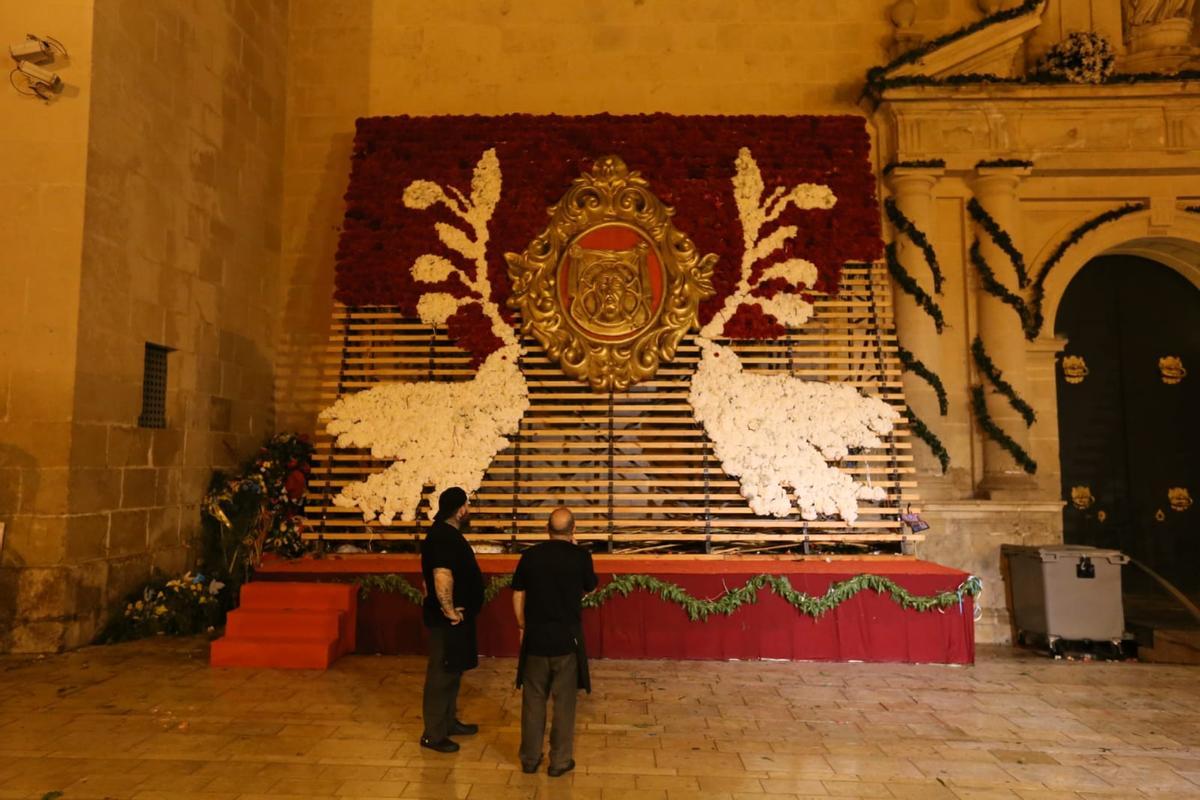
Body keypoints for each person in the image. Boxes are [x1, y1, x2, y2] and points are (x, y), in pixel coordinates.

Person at [511, 507, 598, 777]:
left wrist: (522, 625)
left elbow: (517, 593)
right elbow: (591, 586)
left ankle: (529, 758)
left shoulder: (530, 556)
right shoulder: (581, 557)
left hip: (536, 638)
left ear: (546, 529)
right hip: (566, 640)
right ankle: (559, 761)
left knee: (533, 701)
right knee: (564, 704)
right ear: (574, 529)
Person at [419, 487, 484, 753]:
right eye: (466, 505)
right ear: (460, 510)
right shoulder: (443, 537)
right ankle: (433, 735)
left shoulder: (444, 534)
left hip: (453, 618)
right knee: (442, 674)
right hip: (448, 620)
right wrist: (449, 611)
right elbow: (441, 575)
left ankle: (447, 722)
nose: (468, 510)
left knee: (452, 670)